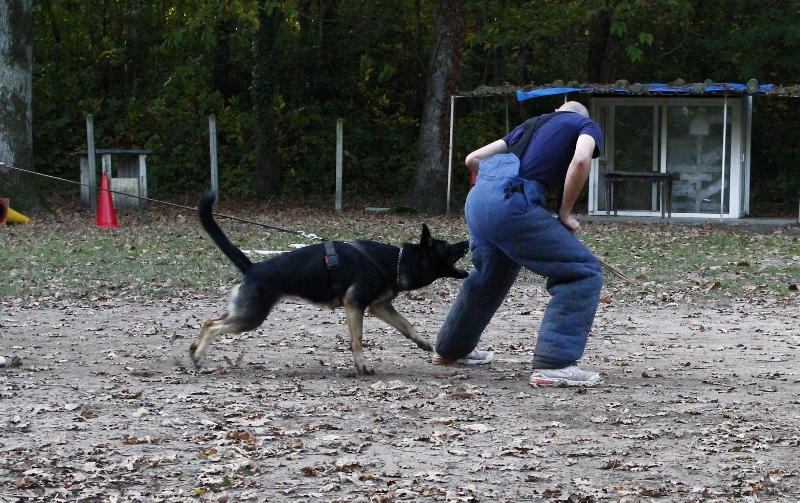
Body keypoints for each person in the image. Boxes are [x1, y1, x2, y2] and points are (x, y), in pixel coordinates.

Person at [432, 101, 604, 387]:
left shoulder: (530, 125)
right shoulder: (585, 125)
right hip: (512, 202)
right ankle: (556, 364)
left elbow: (473, 160)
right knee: (582, 271)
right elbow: (582, 160)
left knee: (491, 273)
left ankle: (452, 348)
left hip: (478, 201)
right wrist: (564, 213)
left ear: (557, 112)